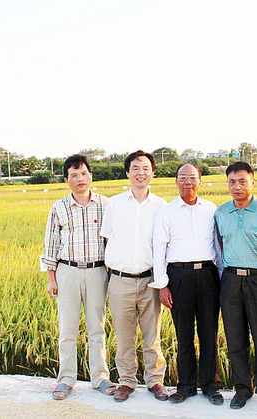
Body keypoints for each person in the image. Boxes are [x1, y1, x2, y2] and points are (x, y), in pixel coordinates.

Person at [41, 154, 115, 400]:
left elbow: (112, 241)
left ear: (90, 176)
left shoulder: (106, 205)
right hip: (68, 272)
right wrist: (52, 279)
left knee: (97, 327)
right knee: (68, 328)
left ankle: (100, 377)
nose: (80, 179)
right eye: (74, 175)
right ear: (66, 180)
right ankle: (65, 379)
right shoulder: (59, 208)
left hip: (97, 271)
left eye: (83, 173)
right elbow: (51, 245)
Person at [152, 163, 224, 405]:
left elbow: (218, 248)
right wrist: (162, 285)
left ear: (199, 181)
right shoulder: (166, 211)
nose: (187, 182)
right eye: (182, 177)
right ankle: (186, 386)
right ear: (176, 181)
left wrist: (222, 279)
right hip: (178, 276)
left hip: (207, 275)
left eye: (192, 177)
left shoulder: (211, 209)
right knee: (184, 334)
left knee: (208, 333)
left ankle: (210, 385)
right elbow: (158, 249)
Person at [101, 150, 169, 402]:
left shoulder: (161, 206)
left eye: (145, 168)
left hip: (151, 280)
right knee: (124, 336)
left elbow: (164, 245)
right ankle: (127, 381)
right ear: (128, 172)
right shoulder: (114, 204)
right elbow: (107, 238)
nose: (141, 173)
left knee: (152, 335)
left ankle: (155, 381)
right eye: (136, 168)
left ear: (153, 172)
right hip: (120, 280)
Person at [214, 161, 257, 411]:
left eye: (242, 181)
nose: (237, 186)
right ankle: (242, 389)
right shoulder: (221, 213)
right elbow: (221, 244)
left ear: (253, 181)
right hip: (231, 279)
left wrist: (254, 260)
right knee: (235, 337)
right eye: (232, 182)